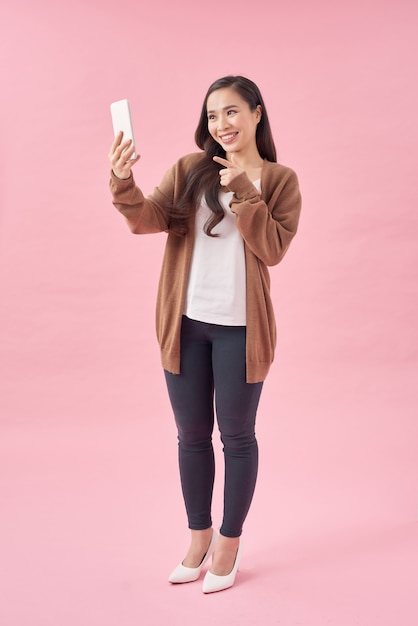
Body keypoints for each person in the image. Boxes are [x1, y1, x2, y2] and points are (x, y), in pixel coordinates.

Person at [108, 75, 301, 593]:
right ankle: (199, 536)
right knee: (190, 436)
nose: (222, 124)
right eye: (213, 116)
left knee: (236, 437)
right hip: (186, 325)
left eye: (232, 112)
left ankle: (230, 543)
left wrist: (242, 187)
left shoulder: (280, 180)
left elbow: (273, 249)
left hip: (242, 330)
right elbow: (147, 219)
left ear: (257, 113)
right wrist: (123, 182)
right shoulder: (190, 169)